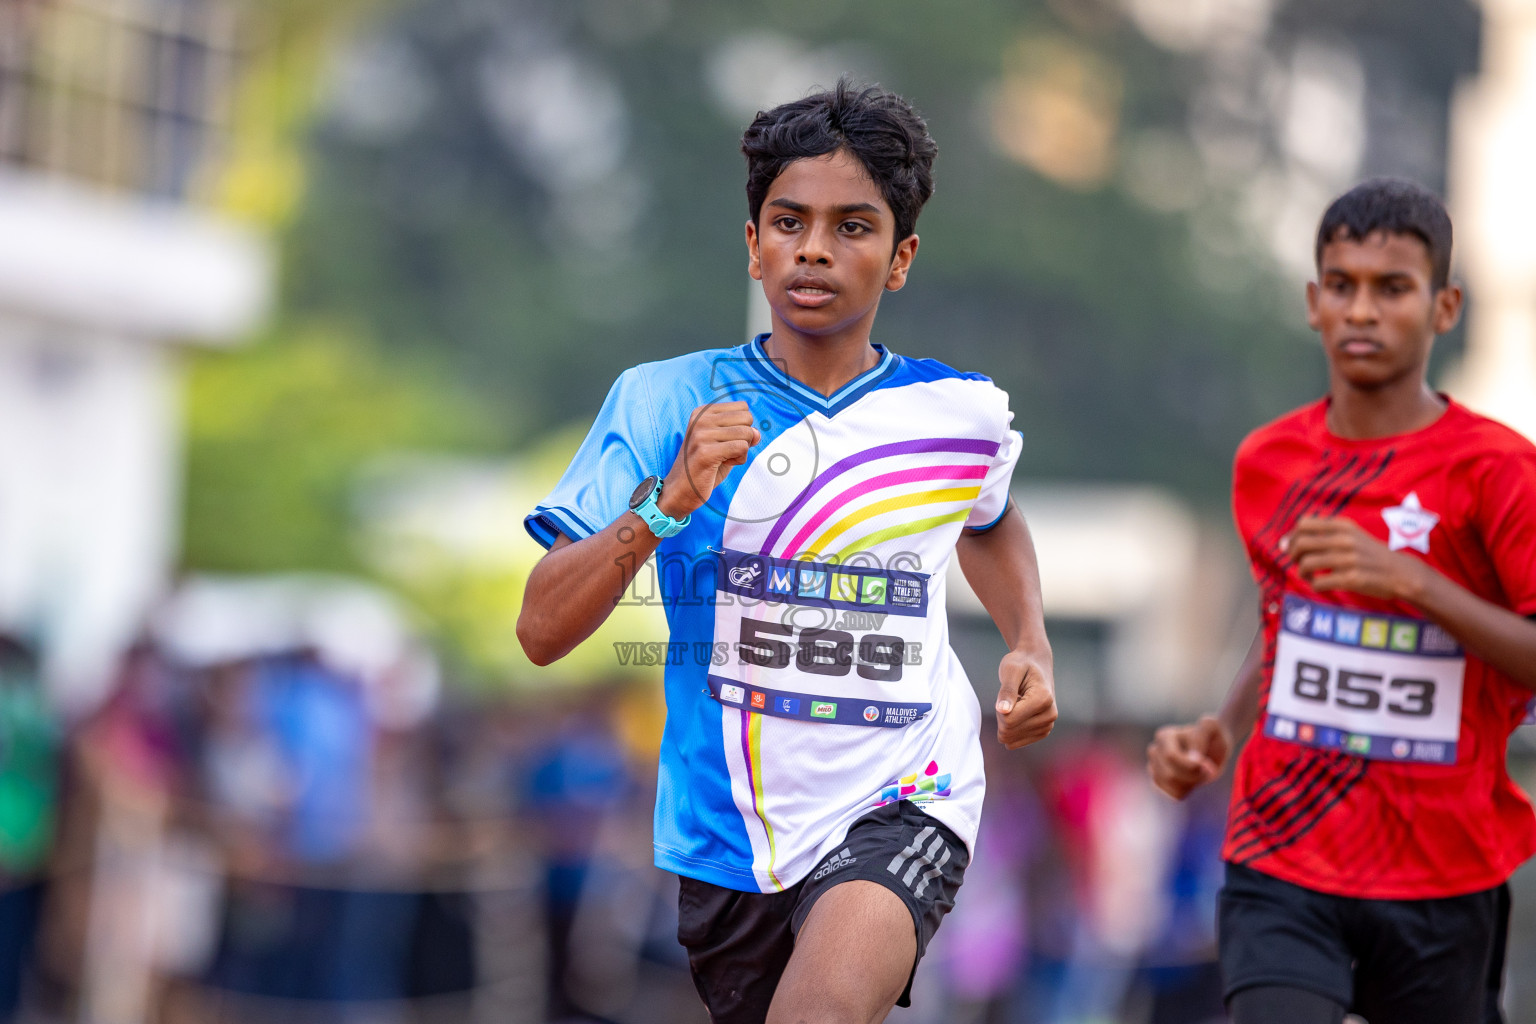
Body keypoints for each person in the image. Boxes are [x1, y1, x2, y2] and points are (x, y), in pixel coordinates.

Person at [518, 80, 1057, 1024]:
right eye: (789, 220)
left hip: (909, 793)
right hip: (727, 841)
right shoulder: (661, 402)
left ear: (901, 258)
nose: (814, 247)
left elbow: (993, 519)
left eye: (854, 226)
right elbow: (540, 628)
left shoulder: (957, 415)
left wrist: (1031, 641)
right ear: (754, 242)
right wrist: (669, 500)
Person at [1146, 178, 1536, 1024]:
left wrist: (1414, 583)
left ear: (1445, 308)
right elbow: (1285, 621)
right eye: (1343, 285)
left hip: (1444, 872)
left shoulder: (1497, 470)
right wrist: (1222, 725)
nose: (1363, 310)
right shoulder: (1268, 462)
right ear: (1314, 303)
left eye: (1392, 288)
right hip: (1282, 858)